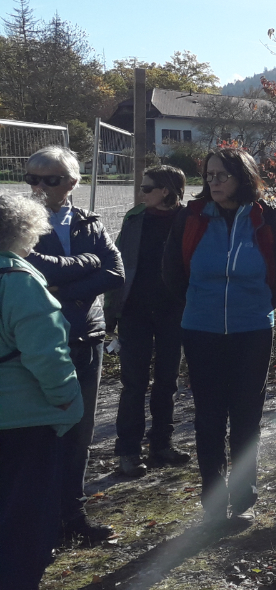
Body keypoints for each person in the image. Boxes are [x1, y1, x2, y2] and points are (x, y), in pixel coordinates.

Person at [162, 148, 276, 527]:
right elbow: (173, 273)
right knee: (208, 416)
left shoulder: (269, 219)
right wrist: (199, 305)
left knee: (245, 415)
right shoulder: (191, 218)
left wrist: (254, 307)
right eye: (209, 175)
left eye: (222, 175)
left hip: (252, 329)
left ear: (243, 177)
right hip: (201, 329)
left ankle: (243, 498)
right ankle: (212, 503)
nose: (213, 182)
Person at [23, 145, 124, 545]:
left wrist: (64, 289)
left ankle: (73, 516)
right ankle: (38, 519)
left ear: (71, 183)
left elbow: (115, 272)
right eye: (32, 177)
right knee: (41, 432)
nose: (38, 186)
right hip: (39, 340)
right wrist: (86, 265)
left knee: (80, 432)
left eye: (49, 179)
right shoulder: (18, 221)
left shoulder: (90, 222)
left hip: (87, 337)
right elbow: (33, 268)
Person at [0, 193, 84, 590]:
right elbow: (46, 354)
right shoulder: (18, 282)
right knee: (25, 522)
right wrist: (67, 400)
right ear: (22, 232)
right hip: (23, 419)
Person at [106, 165, 191, 477]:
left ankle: (161, 447)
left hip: (174, 313)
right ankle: (128, 452)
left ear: (166, 190)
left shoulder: (189, 220)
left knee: (167, 383)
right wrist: (112, 312)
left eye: (146, 188)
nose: (140, 193)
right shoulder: (135, 218)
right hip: (135, 314)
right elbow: (119, 264)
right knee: (133, 385)